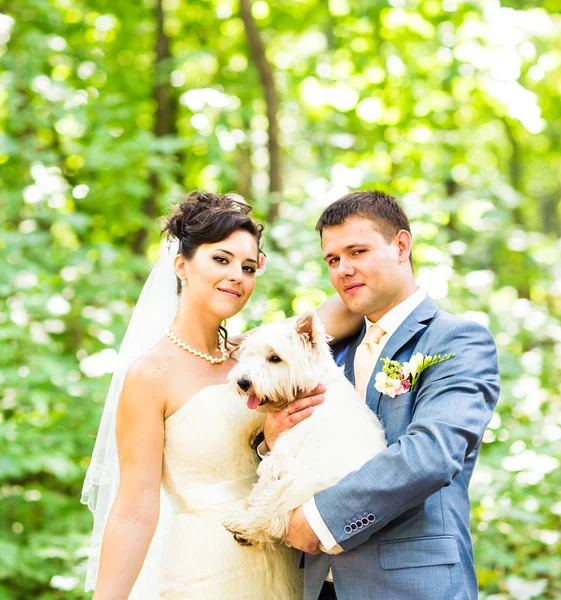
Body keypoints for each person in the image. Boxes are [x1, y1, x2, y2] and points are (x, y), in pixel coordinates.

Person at [81, 191, 362, 599]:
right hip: (205, 571)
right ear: (181, 265)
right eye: (221, 259)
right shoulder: (149, 374)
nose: (237, 275)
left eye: (249, 267)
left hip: (282, 566)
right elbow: (134, 510)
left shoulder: (263, 356)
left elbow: (355, 301)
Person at [263, 190, 500, 600]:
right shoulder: (326, 353)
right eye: (333, 260)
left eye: (358, 251)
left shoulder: (458, 339)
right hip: (317, 583)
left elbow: (431, 455)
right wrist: (271, 438)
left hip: (410, 585)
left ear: (401, 245)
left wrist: (320, 519)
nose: (343, 270)